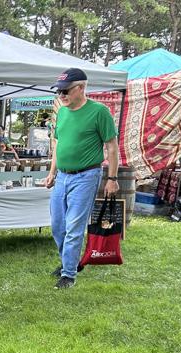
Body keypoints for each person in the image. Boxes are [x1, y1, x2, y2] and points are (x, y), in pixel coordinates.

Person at [44, 68, 119, 289]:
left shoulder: (99, 112)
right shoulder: (63, 112)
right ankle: (71, 262)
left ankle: (69, 274)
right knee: (58, 226)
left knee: (75, 225)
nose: (62, 96)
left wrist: (112, 178)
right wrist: (51, 172)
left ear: (81, 88)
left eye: (66, 91)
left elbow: (112, 147)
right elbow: (57, 144)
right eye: (59, 92)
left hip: (86, 176)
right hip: (62, 176)